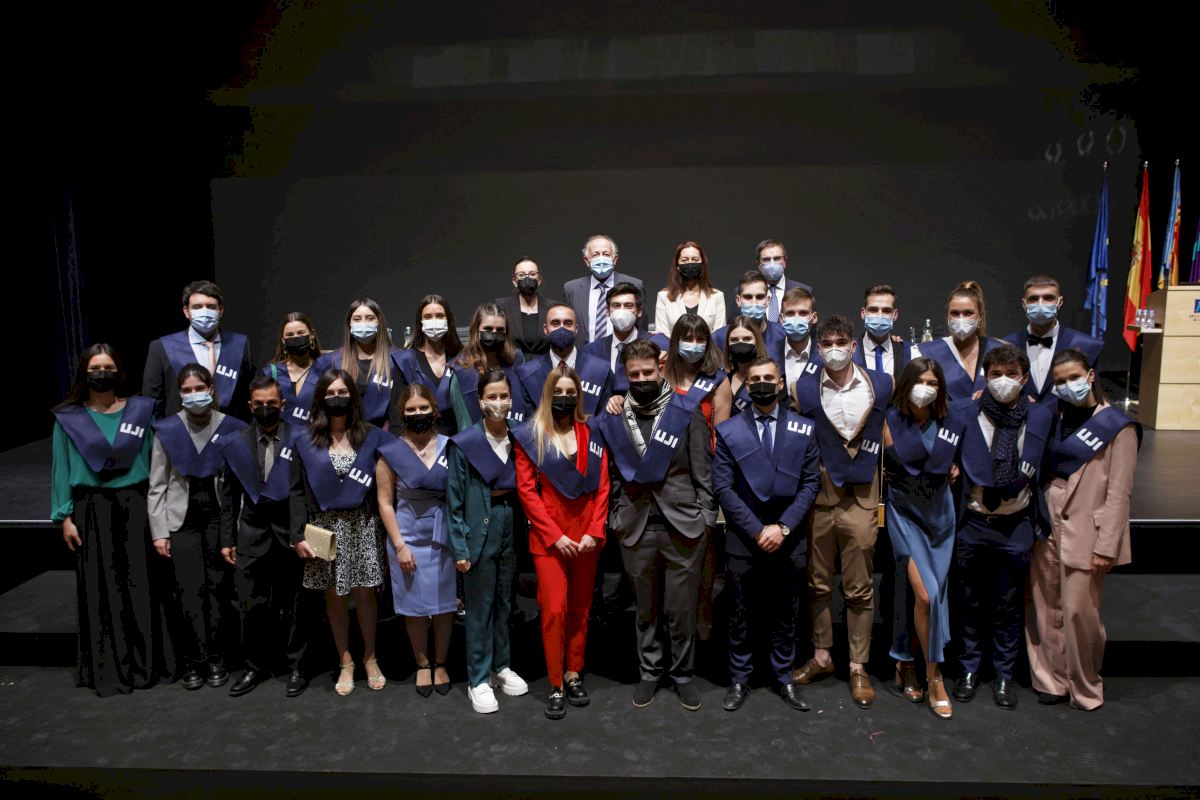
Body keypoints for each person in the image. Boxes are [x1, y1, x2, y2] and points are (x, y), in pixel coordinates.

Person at [595, 340, 716, 710]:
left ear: (660, 368)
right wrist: (616, 517)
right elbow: (613, 474)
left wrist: (705, 518)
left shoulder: (685, 411)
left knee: (681, 609)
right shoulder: (616, 415)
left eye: (648, 372)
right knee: (645, 609)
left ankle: (683, 675)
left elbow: (703, 472)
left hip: (684, 524)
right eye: (634, 375)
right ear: (625, 375)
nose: (642, 379)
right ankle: (649, 671)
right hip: (636, 524)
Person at [1026, 348, 1136, 710]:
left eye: (1074, 377)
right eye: (1060, 382)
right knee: (1045, 605)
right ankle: (1052, 680)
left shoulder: (1116, 426)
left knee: (1080, 612)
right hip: (1046, 520)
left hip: (1089, 529)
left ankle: (1085, 685)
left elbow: (1119, 493)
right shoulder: (1051, 418)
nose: (1067, 385)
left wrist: (1108, 545)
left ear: (1090, 375)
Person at [791, 315, 892, 709]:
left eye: (841, 342)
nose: (834, 348)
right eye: (827, 342)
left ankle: (857, 665)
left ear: (853, 345)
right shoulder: (803, 388)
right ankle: (822, 656)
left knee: (859, 587)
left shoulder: (880, 383)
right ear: (819, 348)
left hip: (862, 497)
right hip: (820, 498)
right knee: (817, 583)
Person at [714, 357, 821, 712]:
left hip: (789, 538)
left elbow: (811, 483)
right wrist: (758, 529)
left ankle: (784, 677)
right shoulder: (729, 430)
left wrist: (783, 527)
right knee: (739, 614)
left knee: (786, 613)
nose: (761, 383)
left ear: (780, 383)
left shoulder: (804, 428)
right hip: (744, 539)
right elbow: (723, 486)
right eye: (755, 378)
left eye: (768, 378)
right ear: (747, 385)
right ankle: (739, 678)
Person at [52, 344, 160, 696]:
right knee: (101, 588)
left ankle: (143, 665)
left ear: (119, 372)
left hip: (135, 505)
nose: (102, 374)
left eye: (108, 367)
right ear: (85, 375)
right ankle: (109, 667)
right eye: (95, 369)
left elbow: (156, 462)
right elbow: (61, 468)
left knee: (138, 584)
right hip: (91, 510)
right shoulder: (69, 419)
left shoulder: (140, 412)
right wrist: (64, 516)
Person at [951, 344, 1055, 710]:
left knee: (1009, 604)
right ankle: (968, 669)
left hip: (1016, 525)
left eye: (1012, 375)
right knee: (969, 601)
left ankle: (1004, 674)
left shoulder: (1040, 416)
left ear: (1024, 379)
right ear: (985, 377)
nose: (1003, 381)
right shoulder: (964, 412)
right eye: (996, 374)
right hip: (973, 523)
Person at [512, 365, 610, 720]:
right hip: (550, 540)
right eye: (559, 392)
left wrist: (594, 530)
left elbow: (603, 486)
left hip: (586, 539)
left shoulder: (592, 432)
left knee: (580, 609)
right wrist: (556, 536)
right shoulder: (532, 436)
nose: (565, 398)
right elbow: (527, 492)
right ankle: (554, 682)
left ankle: (573, 673)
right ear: (547, 395)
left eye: (571, 392)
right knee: (554, 610)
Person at [148, 364, 247, 690]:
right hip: (182, 522)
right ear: (180, 394)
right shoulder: (167, 430)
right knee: (189, 591)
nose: (194, 395)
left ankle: (217, 658)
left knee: (218, 590)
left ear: (211, 389)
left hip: (217, 519)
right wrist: (159, 532)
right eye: (187, 390)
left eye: (199, 388)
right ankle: (193, 660)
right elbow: (157, 485)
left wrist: (234, 530)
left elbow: (238, 484)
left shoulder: (231, 428)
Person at [881, 358, 968, 719]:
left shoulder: (950, 421)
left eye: (933, 383)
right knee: (925, 595)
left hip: (939, 518)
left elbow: (961, 461)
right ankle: (935, 676)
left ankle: (906, 663)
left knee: (930, 599)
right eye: (921, 381)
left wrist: (955, 467)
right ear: (906, 384)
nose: (926, 388)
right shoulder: (889, 420)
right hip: (904, 515)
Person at [219, 375, 315, 697]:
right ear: (249, 405)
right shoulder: (235, 443)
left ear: (283, 404)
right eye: (259, 404)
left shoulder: (299, 437)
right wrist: (227, 538)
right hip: (251, 533)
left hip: (291, 532)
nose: (265, 408)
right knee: (250, 605)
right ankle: (252, 667)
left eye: (271, 403)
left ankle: (296, 666)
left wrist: (300, 532)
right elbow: (229, 497)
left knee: (296, 604)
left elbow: (302, 491)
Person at [296, 368, 388, 697]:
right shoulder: (306, 439)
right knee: (334, 596)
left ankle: (370, 658)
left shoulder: (370, 436)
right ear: (321, 398)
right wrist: (297, 535)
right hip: (322, 527)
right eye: (331, 393)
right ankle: (345, 661)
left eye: (343, 392)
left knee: (364, 595)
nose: (337, 398)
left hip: (361, 524)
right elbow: (295, 491)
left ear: (353, 396)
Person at [447, 369, 531, 713]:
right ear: (480, 401)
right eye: (492, 396)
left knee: (504, 604)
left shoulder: (520, 437)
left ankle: (501, 666)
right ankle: (478, 679)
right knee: (479, 608)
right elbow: (453, 501)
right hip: (479, 527)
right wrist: (460, 547)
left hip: (510, 523)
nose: (498, 402)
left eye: (504, 396)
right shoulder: (465, 443)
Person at [377, 385, 457, 698]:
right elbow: (385, 503)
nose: (418, 414)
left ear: (434, 410)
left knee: (443, 606)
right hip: (407, 538)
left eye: (423, 408)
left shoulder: (451, 447)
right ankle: (422, 663)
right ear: (402, 414)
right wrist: (399, 545)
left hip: (443, 537)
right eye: (411, 410)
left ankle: (442, 662)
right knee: (414, 609)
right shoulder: (391, 452)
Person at [661, 315, 732, 641]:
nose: (693, 344)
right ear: (676, 341)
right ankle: (671, 622)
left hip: (704, 476)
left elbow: (722, 435)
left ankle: (702, 616)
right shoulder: (662, 375)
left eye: (699, 338)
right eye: (686, 338)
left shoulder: (717, 381)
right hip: (666, 474)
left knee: (704, 551)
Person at [143, 280, 254, 420]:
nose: (205, 312)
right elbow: (152, 401)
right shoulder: (162, 347)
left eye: (211, 306)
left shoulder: (239, 344)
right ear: (186, 311)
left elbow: (248, 393)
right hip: (179, 429)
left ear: (220, 311)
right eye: (197, 307)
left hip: (230, 429)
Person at [1000, 275, 1104, 406]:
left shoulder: (1086, 345)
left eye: (1048, 298)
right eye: (1033, 299)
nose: (1040, 304)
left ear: (1059, 302)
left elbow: (1096, 397)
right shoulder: (1006, 345)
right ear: (1024, 304)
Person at [316, 298, 402, 429]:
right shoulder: (331, 361)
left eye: (370, 318)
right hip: (344, 434)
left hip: (385, 436)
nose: (363, 323)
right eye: (357, 319)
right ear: (349, 324)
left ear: (379, 322)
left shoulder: (398, 359)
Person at [514, 304, 612, 416]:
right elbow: (526, 419)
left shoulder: (600, 370)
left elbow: (604, 418)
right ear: (545, 329)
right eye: (555, 323)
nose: (562, 329)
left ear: (576, 329)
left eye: (568, 323)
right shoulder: (527, 374)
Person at [394, 294, 470, 434]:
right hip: (419, 438)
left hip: (459, 438)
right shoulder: (405, 361)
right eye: (428, 317)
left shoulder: (463, 359)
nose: (434, 321)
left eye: (439, 316)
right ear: (420, 322)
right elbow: (397, 414)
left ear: (448, 320)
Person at [918, 281, 1002, 402]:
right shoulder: (927, 352)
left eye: (968, 313)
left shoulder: (998, 349)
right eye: (955, 313)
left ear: (979, 316)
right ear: (948, 316)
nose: (961, 319)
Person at [562, 234, 649, 346]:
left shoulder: (634, 285)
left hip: (625, 352)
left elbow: (642, 326)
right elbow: (567, 325)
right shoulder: (572, 288)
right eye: (596, 254)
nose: (601, 258)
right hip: (584, 353)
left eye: (606, 254)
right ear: (587, 261)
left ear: (614, 259)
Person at [452, 303, 529, 426]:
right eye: (488, 329)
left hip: (517, 432)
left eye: (500, 330)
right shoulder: (461, 370)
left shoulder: (517, 360)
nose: (494, 334)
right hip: (478, 436)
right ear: (476, 331)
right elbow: (462, 421)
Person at [585, 282, 649, 396]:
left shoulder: (655, 345)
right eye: (616, 306)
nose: (622, 311)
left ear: (639, 311)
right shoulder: (591, 351)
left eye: (628, 306)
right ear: (607, 311)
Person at [727, 239, 813, 324]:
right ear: (759, 265)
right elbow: (733, 327)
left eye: (777, 258)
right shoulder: (742, 292)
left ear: (784, 262)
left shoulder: (804, 291)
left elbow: (811, 329)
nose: (772, 264)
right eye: (766, 259)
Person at [713, 270, 786, 363]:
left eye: (759, 297)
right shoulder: (719, 338)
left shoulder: (782, 335)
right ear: (738, 300)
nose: (754, 302)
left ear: (768, 300)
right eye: (748, 297)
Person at [263, 311, 322, 426]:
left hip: (315, 434)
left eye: (301, 333)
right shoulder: (271, 373)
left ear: (312, 335)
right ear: (283, 340)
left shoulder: (325, 370)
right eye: (290, 335)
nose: (296, 338)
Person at [496, 257, 563, 358]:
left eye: (532, 274)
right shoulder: (501, 307)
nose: (527, 278)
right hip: (513, 364)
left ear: (539, 280)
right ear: (514, 281)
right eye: (521, 275)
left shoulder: (554, 308)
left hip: (545, 366)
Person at [654, 241, 726, 335]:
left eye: (695, 259)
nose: (690, 263)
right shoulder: (663, 297)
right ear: (677, 266)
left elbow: (719, 335)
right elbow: (662, 336)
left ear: (702, 264)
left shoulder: (717, 297)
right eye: (685, 260)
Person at [853, 284, 915, 382]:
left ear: (895, 315)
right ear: (863, 313)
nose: (880, 315)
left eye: (886, 310)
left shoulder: (908, 352)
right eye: (873, 310)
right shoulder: (850, 352)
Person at [779, 287, 824, 407]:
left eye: (803, 313)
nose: (796, 318)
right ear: (781, 319)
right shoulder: (770, 352)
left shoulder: (823, 355)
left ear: (814, 318)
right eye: (790, 313)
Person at [722, 316, 769, 415]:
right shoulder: (722, 378)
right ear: (728, 344)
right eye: (734, 340)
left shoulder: (770, 376)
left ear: (757, 342)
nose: (741, 344)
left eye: (747, 339)